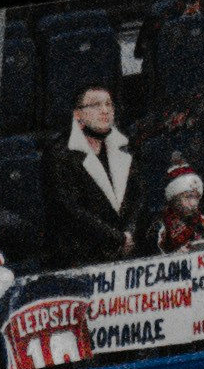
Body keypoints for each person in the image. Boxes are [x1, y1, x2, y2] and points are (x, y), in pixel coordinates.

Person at [51, 78, 147, 265]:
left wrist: (129, 233)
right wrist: (117, 238)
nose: (105, 110)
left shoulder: (125, 147)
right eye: (95, 105)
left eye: (109, 104)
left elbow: (140, 195)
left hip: (126, 248)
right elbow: (71, 210)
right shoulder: (60, 154)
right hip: (83, 256)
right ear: (78, 115)